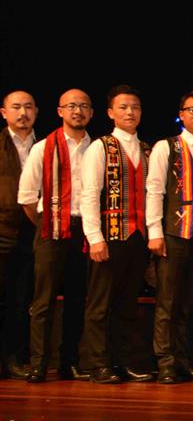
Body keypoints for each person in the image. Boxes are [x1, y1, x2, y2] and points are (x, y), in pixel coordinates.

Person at [79, 85, 154, 384]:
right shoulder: (101, 146)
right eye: (123, 107)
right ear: (111, 113)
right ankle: (96, 363)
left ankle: (125, 361)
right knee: (99, 303)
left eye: (135, 107)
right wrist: (95, 237)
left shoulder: (147, 149)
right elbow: (88, 195)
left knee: (127, 303)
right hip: (109, 236)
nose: (130, 112)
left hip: (137, 236)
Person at [19, 89, 93, 381]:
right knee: (43, 300)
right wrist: (45, 223)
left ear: (92, 113)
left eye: (84, 106)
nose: (78, 111)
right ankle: (39, 362)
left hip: (84, 230)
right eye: (72, 106)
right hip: (50, 227)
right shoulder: (43, 147)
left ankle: (69, 361)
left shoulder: (98, 147)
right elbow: (26, 197)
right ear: (60, 111)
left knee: (78, 297)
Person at [144, 90, 193, 383]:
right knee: (167, 302)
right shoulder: (167, 146)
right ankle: (165, 361)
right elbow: (155, 189)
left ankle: (185, 359)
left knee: (190, 301)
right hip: (173, 233)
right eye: (192, 110)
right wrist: (155, 231)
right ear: (182, 114)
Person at [1, 90, 38, 378]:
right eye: (16, 107)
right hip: (2, 231)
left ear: (36, 111)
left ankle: (16, 357)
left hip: (33, 234)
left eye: (27, 107)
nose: (22, 113)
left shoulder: (45, 145)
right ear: (4, 113)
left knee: (21, 299)